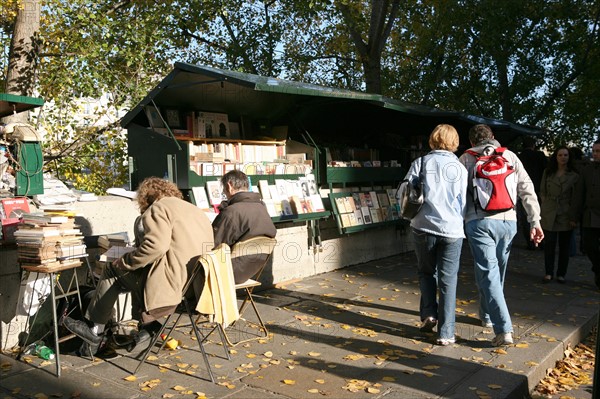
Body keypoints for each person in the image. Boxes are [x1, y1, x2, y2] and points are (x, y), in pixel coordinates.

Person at [63, 177, 214, 356]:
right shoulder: (193, 209)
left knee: (114, 269)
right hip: (195, 286)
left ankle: (95, 330)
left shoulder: (158, 208)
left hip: (172, 286)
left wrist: (126, 260)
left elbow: (156, 246)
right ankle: (147, 327)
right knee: (141, 270)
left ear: (146, 198)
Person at [459, 124, 543, 346]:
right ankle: (486, 315)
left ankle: (503, 329)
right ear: (493, 137)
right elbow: (527, 188)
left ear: (470, 142)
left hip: (478, 221)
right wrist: (535, 221)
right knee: (496, 272)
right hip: (508, 222)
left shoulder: (466, 159)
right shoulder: (510, 156)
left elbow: (457, 194)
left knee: (488, 272)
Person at [405, 124, 467, 346]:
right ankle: (447, 333)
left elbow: (403, 192)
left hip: (423, 225)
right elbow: (464, 202)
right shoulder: (460, 168)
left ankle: (429, 313)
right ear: (454, 141)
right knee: (449, 280)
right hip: (452, 229)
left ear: (432, 139)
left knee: (425, 272)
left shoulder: (420, 162)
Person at [212, 170, 277, 283]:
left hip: (230, 270)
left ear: (229, 186)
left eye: (223, 189)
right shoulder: (262, 207)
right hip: (254, 268)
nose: (224, 192)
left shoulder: (232, 212)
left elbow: (214, 243)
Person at [539, 146, 578, 283]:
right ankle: (548, 272)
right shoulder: (548, 172)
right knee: (549, 244)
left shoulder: (574, 175)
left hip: (565, 212)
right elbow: (542, 190)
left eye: (565, 155)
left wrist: (573, 216)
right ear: (555, 157)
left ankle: (561, 273)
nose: (563, 157)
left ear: (569, 157)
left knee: (564, 245)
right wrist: (545, 204)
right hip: (549, 211)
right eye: (560, 155)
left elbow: (576, 197)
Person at [569, 139, 600, 289]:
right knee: (589, 246)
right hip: (590, 215)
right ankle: (597, 268)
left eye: (598, 151)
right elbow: (579, 194)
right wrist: (574, 216)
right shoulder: (587, 170)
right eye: (594, 151)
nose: (595, 154)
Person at [518, 136, 547, 249]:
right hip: (539, 189)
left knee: (526, 216)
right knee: (539, 215)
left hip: (522, 189)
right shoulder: (539, 156)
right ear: (533, 145)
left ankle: (530, 242)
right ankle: (541, 240)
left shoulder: (519, 157)